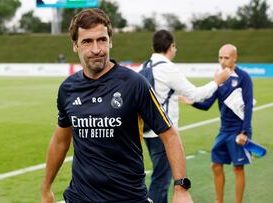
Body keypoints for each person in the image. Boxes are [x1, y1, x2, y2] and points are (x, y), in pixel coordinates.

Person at [41, 9, 193, 203]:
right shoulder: (68, 89)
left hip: (128, 198)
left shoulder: (134, 83)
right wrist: (46, 188)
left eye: (102, 40)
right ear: (75, 46)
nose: (96, 49)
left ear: (110, 41)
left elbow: (169, 135)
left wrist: (181, 188)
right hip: (80, 197)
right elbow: (60, 140)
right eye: (87, 41)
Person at [140, 29, 230, 203]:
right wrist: (217, 81)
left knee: (158, 177)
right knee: (161, 181)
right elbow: (196, 94)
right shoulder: (167, 68)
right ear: (171, 46)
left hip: (146, 130)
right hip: (164, 134)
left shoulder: (145, 66)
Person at [181, 44, 253, 203]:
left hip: (238, 130)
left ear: (235, 58)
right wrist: (191, 102)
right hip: (224, 130)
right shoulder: (219, 79)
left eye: (226, 57)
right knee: (216, 165)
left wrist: (245, 132)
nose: (222, 61)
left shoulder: (244, 77)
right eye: (220, 57)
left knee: (238, 168)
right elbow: (207, 105)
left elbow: (248, 106)